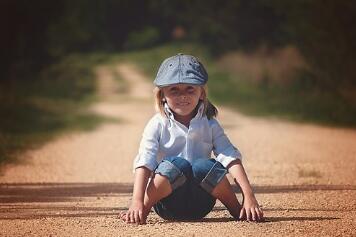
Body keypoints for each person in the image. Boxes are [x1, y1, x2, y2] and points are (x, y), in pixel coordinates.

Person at [120, 53, 263, 224]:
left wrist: (249, 195)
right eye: (174, 90)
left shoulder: (210, 123)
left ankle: (237, 210)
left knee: (203, 166)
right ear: (162, 95)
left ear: (201, 93)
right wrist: (136, 201)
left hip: (201, 203)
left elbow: (230, 156)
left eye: (190, 89)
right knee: (178, 164)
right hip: (167, 203)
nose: (183, 96)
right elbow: (145, 161)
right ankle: (142, 211)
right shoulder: (157, 124)